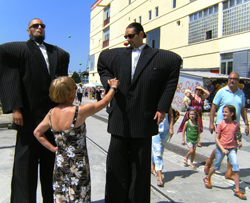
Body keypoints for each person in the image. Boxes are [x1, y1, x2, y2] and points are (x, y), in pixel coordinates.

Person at [97, 22, 182, 203]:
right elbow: (102, 66)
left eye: (131, 36)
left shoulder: (163, 58)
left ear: (141, 34)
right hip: (119, 119)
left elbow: (171, 80)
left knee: (140, 168)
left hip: (144, 120)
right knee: (116, 165)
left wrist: (162, 107)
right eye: (125, 37)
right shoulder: (115, 55)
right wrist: (108, 81)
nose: (127, 40)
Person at [0, 18, 69, 202]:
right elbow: (10, 77)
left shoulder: (58, 53)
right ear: (28, 31)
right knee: (25, 166)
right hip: (28, 117)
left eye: (42, 26)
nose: (39, 28)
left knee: (51, 165)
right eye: (35, 26)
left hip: (52, 118)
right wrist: (15, 108)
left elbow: (64, 84)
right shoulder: (19, 50)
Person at [34, 76, 120, 202]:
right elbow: (104, 102)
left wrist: (53, 148)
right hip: (78, 164)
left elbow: (37, 132)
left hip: (60, 163)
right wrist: (113, 87)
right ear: (70, 93)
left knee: (62, 195)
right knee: (79, 195)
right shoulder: (79, 111)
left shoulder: (51, 113)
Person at [204, 72, 249, 180]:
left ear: (238, 81)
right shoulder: (222, 91)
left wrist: (246, 124)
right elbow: (213, 107)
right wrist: (211, 123)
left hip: (235, 125)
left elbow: (242, 110)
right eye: (230, 79)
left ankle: (229, 173)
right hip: (222, 124)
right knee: (221, 147)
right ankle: (209, 161)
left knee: (233, 148)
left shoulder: (241, 94)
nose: (231, 81)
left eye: (234, 79)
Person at [203, 105, 247, 200]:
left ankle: (237, 190)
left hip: (231, 149)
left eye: (226, 112)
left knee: (236, 167)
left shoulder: (235, 124)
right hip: (221, 148)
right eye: (223, 112)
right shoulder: (221, 124)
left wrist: (238, 142)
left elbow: (234, 136)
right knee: (217, 166)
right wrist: (222, 149)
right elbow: (217, 139)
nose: (224, 113)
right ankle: (207, 178)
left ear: (232, 113)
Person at [151, 106, 174, 187]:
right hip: (155, 129)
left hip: (166, 129)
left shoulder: (167, 102)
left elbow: (171, 115)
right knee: (158, 150)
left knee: (160, 150)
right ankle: (160, 176)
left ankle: (153, 166)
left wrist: (171, 128)